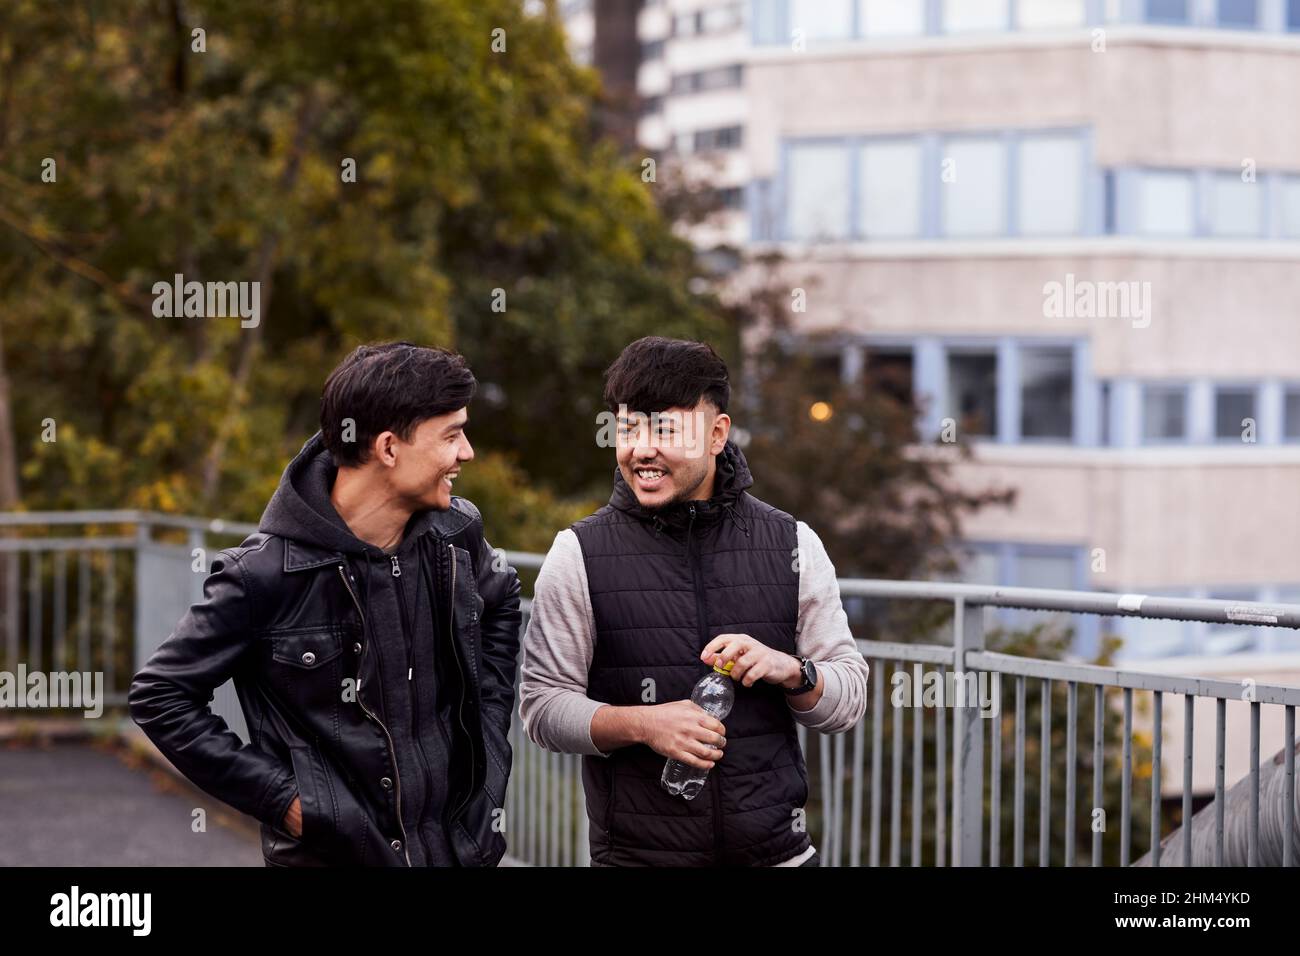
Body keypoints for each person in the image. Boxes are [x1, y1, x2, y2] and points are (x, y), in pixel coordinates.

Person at [129, 342, 521, 866]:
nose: (467, 452)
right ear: (387, 448)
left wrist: (489, 741)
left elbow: (501, 598)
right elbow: (161, 695)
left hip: (460, 853)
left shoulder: (457, 533)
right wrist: (287, 803)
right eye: (452, 435)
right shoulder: (262, 575)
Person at [519, 336, 869, 866]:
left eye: (666, 428)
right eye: (629, 427)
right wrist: (644, 724)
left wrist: (792, 670)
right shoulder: (577, 553)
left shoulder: (794, 543)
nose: (642, 449)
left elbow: (848, 702)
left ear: (717, 434)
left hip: (780, 856)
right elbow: (543, 709)